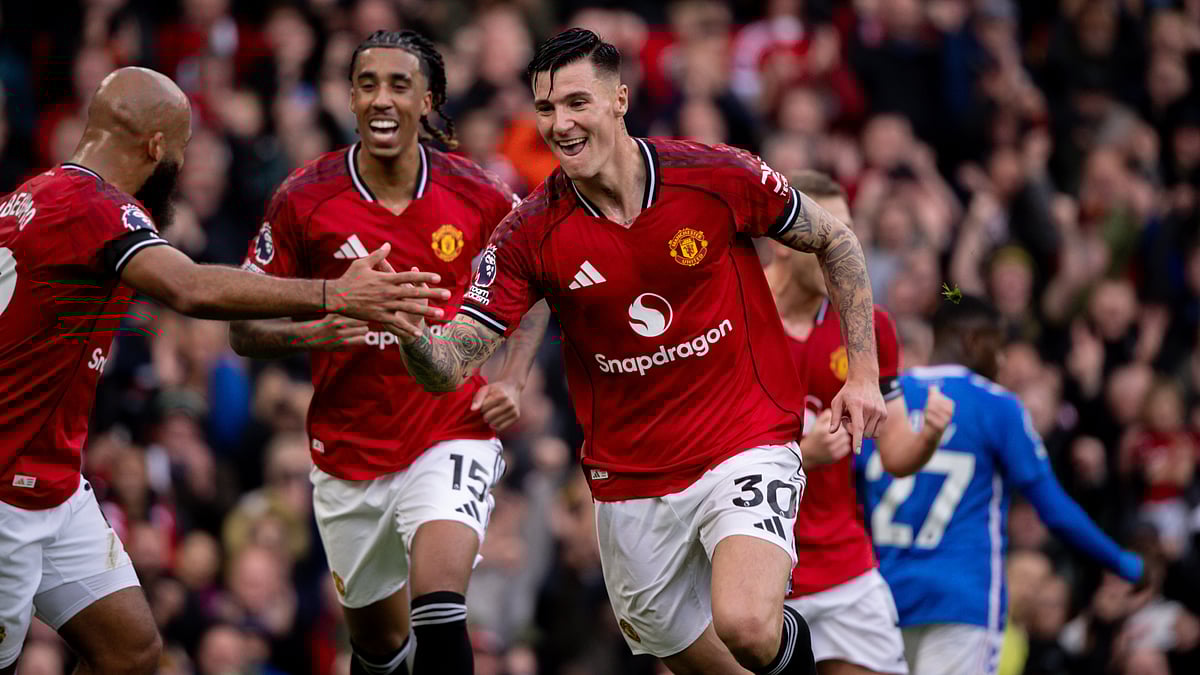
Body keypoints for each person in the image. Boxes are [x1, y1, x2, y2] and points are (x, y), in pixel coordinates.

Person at [390, 28, 888, 675]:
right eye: (545, 109)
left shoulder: (715, 175)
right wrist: (408, 332)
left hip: (745, 440)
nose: (560, 124)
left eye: (576, 103)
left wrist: (866, 372)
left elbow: (837, 242)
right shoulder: (529, 233)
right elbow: (454, 356)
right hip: (630, 480)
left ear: (620, 98)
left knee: (745, 622)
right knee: (685, 652)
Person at [0, 67, 444, 674]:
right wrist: (335, 294)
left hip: (53, 481)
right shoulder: (97, 208)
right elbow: (188, 288)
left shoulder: (29, 197)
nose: (177, 172)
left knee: (130, 652)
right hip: (8, 489)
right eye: (179, 155)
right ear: (156, 148)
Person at [228, 30, 548, 675]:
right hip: (348, 450)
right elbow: (244, 327)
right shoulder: (305, 197)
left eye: (399, 84)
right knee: (376, 647)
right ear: (349, 96)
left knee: (439, 607)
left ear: (428, 99)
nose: (382, 98)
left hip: (451, 427)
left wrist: (513, 377)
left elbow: (535, 284)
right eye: (367, 83)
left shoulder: (478, 193)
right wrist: (325, 316)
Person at [854, 296, 1145, 675]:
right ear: (973, 341)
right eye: (999, 346)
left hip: (882, 600)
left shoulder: (882, 400)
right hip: (964, 600)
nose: (1003, 360)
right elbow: (1055, 510)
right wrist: (1123, 563)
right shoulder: (998, 407)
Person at [762, 170, 954, 675]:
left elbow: (895, 455)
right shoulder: (733, 317)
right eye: (822, 235)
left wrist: (929, 436)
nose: (838, 248)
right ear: (781, 242)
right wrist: (804, 454)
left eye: (844, 233)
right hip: (753, 565)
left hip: (841, 563)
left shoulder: (869, 327)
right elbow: (702, 454)